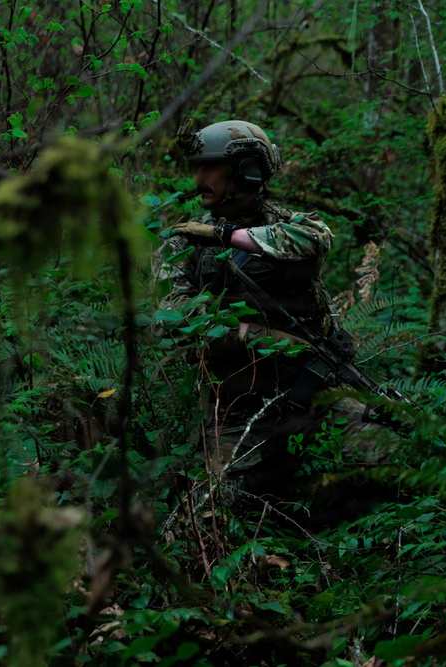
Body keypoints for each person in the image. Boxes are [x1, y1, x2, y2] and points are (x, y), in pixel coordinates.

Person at [155, 119, 387, 497]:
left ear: (246, 171)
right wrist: (257, 336)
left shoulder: (290, 227)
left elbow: (317, 239)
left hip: (314, 396)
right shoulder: (184, 241)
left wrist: (225, 236)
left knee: (391, 458)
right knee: (214, 502)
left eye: (210, 166)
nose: (198, 177)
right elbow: (171, 319)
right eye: (197, 167)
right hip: (237, 410)